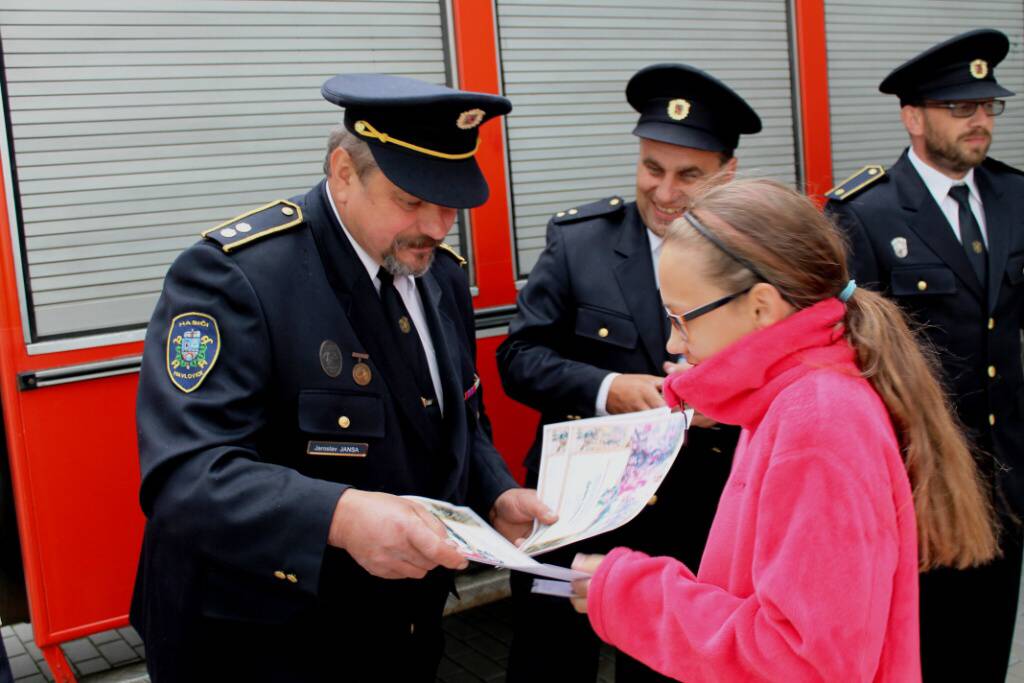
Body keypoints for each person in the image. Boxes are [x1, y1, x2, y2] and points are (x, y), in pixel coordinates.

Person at [130, 74, 555, 682]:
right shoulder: (237, 278)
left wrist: (494, 491)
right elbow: (185, 473)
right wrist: (341, 516)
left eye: (451, 205)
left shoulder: (439, 274)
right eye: (412, 201)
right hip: (260, 645)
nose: (436, 227)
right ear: (343, 171)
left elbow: (459, 413)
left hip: (398, 634)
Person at [569, 178, 998, 682]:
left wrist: (632, 596)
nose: (670, 340)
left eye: (681, 318)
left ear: (762, 307)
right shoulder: (796, 398)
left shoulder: (816, 423)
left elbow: (803, 662)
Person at [497, 63, 759, 681]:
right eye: (652, 168)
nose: (665, 192)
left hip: (699, 514)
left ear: (728, 173)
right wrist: (608, 389)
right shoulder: (578, 241)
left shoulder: (755, 258)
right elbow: (518, 359)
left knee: (671, 668)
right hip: (576, 511)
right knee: (549, 663)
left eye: (688, 175)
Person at [824, 29, 1024, 682]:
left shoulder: (1014, 196)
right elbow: (850, 361)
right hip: (923, 485)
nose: (981, 121)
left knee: (990, 646)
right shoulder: (866, 213)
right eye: (961, 108)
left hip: (1006, 479)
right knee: (930, 653)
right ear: (913, 116)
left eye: (988, 107)